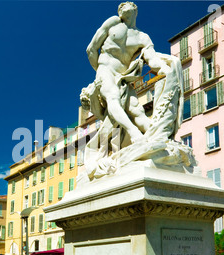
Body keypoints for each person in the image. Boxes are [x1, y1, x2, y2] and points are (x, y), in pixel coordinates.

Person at [80, 2, 187, 181]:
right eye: (121, 4)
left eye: (129, 3)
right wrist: (99, 71)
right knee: (113, 98)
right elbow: (91, 49)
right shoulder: (113, 22)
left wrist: (165, 69)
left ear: (136, 11)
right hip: (105, 69)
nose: (125, 5)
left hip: (123, 77)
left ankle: (159, 140)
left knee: (136, 110)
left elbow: (151, 60)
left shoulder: (143, 38)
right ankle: (135, 134)